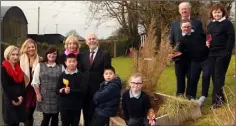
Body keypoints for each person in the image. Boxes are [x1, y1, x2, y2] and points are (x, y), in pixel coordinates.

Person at [169, 2, 205, 99]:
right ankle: (179, 97)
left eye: (186, 8)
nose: (184, 10)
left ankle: (190, 96)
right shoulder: (174, 24)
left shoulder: (197, 22)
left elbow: (202, 38)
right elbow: (171, 40)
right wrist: (171, 52)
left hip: (193, 57)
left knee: (192, 78)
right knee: (180, 77)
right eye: (182, 9)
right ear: (179, 11)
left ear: (189, 10)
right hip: (179, 57)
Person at [206, 3, 235, 109]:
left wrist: (227, 52)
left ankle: (216, 102)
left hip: (223, 54)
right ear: (212, 13)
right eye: (215, 12)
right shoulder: (210, 24)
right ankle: (221, 100)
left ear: (223, 12)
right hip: (212, 53)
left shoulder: (227, 23)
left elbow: (231, 38)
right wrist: (207, 42)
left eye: (219, 12)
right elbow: (208, 36)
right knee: (215, 77)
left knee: (218, 76)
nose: (217, 14)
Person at [80, 33, 111, 126]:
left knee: (97, 116)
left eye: (93, 39)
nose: (91, 41)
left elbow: (108, 72)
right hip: (85, 92)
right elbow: (81, 72)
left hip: (99, 91)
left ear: (97, 41)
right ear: (86, 42)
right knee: (86, 115)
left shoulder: (105, 54)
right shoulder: (82, 55)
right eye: (89, 39)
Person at [177, 19, 210, 106]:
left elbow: (208, 35)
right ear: (181, 28)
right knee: (193, 78)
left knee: (206, 75)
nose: (186, 28)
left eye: (188, 26)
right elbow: (179, 51)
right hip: (194, 61)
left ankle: (204, 95)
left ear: (191, 26)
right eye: (184, 27)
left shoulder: (198, 33)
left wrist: (208, 41)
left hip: (205, 59)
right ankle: (192, 97)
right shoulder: (182, 39)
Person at [31, 46, 62, 126]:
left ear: (57, 55)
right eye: (50, 53)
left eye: (54, 53)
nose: (52, 55)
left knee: (55, 118)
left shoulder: (61, 67)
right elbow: (35, 82)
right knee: (46, 118)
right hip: (44, 96)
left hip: (57, 96)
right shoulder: (40, 65)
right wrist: (38, 94)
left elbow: (64, 81)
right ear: (46, 54)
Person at [57, 53, 87, 126]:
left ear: (77, 62)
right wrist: (63, 91)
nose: (72, 63)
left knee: (75, 124)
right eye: (69, 61)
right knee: (65, 124)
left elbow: (83, 90)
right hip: (64, 106)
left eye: (74, 61)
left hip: (76, 106)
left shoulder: (81, 75)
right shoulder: (62, 75)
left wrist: (71, 91)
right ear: (65, 63)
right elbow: (57, 90)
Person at [1, 45, 27, 126]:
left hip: (19, 98)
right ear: (8, 55)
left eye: (17, 54)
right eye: (13, 54)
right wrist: (15, 99)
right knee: (11, 122)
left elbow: (22, 84)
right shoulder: (3, 68)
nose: (15, 57)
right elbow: (5, 86)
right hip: (10, 98)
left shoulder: (18, 68)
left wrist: (20, 97)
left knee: (18, 122)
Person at [19, 38, 41, 126]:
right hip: (23, 88)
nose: (31, 49)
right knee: (25, 113)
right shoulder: (20, 59)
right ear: (25, 48)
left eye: (33, 47)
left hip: (33, 90)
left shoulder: (39, 59)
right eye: (29, 47)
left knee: (30, 112)